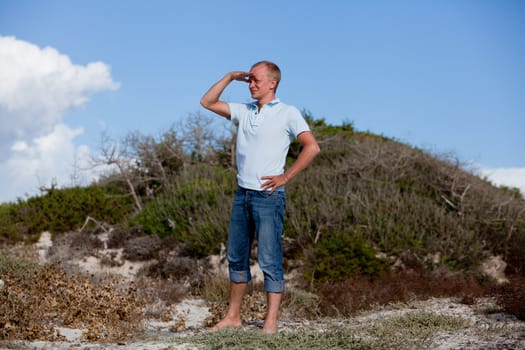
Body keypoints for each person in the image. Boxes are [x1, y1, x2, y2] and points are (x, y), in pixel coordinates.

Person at [200, 61, 320, 334]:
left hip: (269, 196)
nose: (251, 84)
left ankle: (271, 322)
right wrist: (231, 76)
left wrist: (285, 177)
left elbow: (312, 147)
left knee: (269, 259)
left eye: (255, 80)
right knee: (237, 256)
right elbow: (207, 101)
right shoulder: (245, 111)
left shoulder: (289, 113)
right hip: (242, 195)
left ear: (272, 83)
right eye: (249, 80)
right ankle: (233, 317)